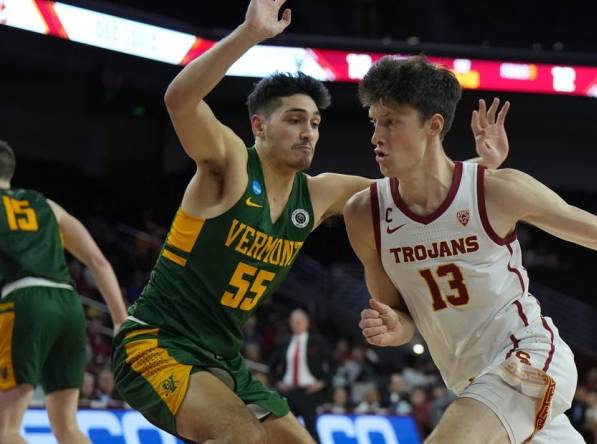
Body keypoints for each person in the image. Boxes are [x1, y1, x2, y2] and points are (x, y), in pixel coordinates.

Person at [110, 1, 509, 443]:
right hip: (156, 342)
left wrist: (478, 164)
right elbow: (179, 100)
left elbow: (408, 190)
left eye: (315, 123)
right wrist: (248, 33)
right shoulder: (229, 165)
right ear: (258, 126)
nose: (309, 133)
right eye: (295, 120)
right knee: (241, 437)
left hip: (222, 358)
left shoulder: (319, 193)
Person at [343, 55, 597, 443]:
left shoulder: (494, 190)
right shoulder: (364, 215)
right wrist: (391, 328)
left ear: (433, 126)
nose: (376, 137)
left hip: (529, 356)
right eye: (374, 122)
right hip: (471, 384)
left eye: (390, 123)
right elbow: (401, 319)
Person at [0, 140, 127, 444]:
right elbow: (98, 261)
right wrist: (121, 319)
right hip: (69, 307)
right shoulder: (46, 204)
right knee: (67, 427)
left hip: (24, 301)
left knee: (7, 429)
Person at [269, 309, 331, 439]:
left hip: (308, 392)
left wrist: (323, 382)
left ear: (306, 323)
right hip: (288, 392)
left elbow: (333, 363)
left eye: (299, 321)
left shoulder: (316, 341)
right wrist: (277, 382)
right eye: (293, 321)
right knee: (285, 429)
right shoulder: (285, 342)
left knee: (310, 429)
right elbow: (272, 365)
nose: (296, 324)